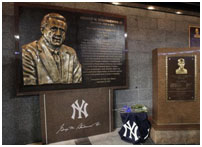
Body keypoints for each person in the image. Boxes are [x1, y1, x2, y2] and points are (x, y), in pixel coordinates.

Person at [22, 13, 82, 85]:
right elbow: (29, 85)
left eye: (62, 30)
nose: (58, 34)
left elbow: (77, 82)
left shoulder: (71, 53)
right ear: (42, 30)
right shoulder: (28, 51)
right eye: (54, 29)